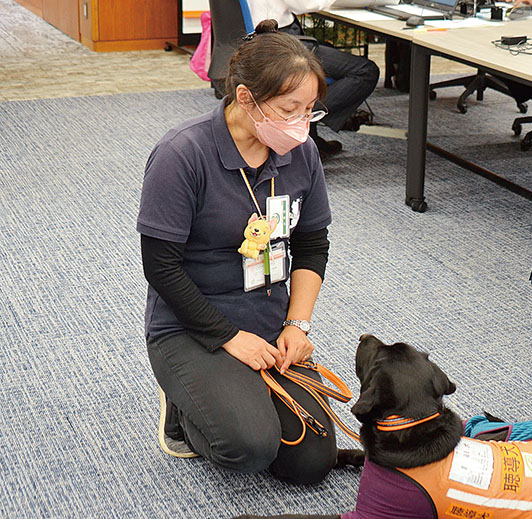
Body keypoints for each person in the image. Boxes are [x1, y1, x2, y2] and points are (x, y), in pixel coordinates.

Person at [137, 20, 338, 484]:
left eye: (310, 109)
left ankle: (231, 392)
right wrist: (228, 336)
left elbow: (312, 245)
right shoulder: (182, 154)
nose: (302, 124)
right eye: (290, 109)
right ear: (246, 98)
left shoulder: (299, 152)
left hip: (268, 322)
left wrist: (297, 324)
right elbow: (160, 267)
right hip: (191, 325)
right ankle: (183, 408)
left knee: (310, 462)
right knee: (247, 448)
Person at [247, 1, 380, 158]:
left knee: (327, 48)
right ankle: (303, 119)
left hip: (254, 37)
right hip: (279, 40)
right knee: (364, 71)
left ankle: (310, 132)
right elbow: (307, 4)